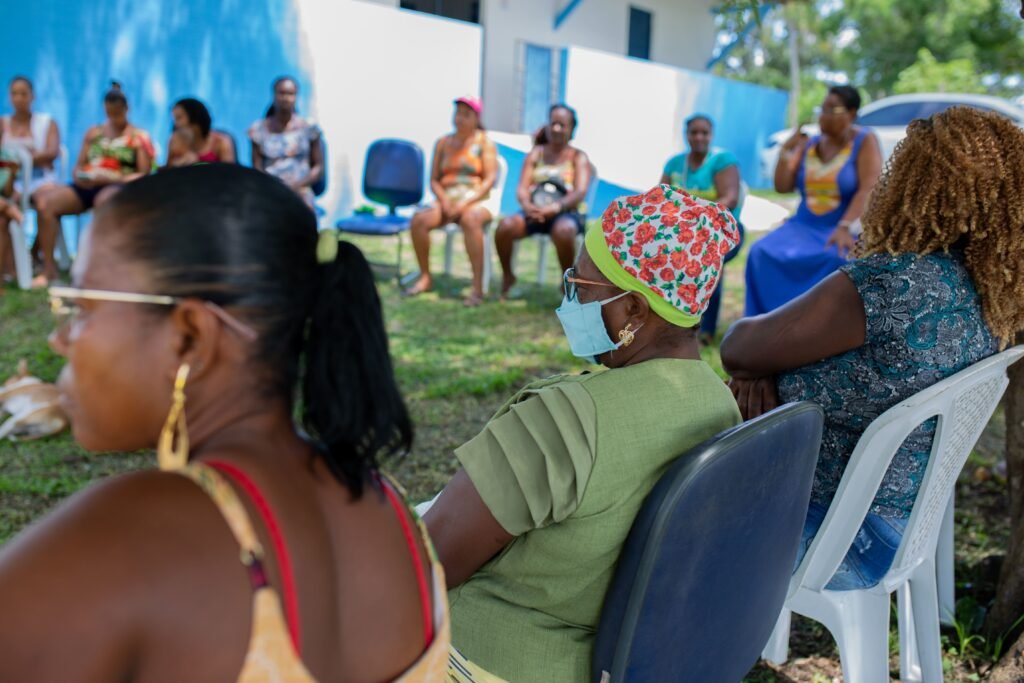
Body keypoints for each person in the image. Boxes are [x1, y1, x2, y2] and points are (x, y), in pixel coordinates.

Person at [0, 164, 449, 681]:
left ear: (190, 335)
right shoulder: (393, 514)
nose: (60, 338)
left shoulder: (134, 534)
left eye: (80, 308)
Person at [425, 185, 742, 682]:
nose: (568, 293)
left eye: (582, 285)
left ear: (634, 310)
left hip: (489, 658)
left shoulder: (566, 418)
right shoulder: (718, 402)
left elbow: (429, 565)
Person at [721, 107, 1024, 590]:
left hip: (831, 531)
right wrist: (768, 373)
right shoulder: (996, 295)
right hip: (899, 528)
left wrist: (764, 373)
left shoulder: (893, 282)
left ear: (913, 183)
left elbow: (738, 348)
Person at [744, 85, 882, 316]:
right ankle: (767, 325)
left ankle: (818, 329)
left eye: (831, 109)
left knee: (836, 260)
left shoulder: (864, 141)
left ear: (851, 114)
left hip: (842, 225)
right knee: (760, 252)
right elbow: (782, 186)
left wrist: (845, 226)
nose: (823, 115)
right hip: (803, 225)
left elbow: (869, 187)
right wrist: (785, 152)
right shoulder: (810, 144)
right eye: (822, 109)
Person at [32, 81, 154, 285]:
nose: (113, 118)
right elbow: (78, 167)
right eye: (109, 113)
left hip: (118, 188)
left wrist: (112, 179)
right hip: (88, 185)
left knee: (105, 202)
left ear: (126, 109)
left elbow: (143, 174)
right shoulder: (94, 133)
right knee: (46, 204)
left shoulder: (138, 137)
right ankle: (48, 269)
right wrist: (82, 176)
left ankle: (102, 270)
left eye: (117, 113)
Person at [405, 97, 497, 307]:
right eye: (457, 113)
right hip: (446, 198)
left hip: (475, 199)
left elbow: (489, 180)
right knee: (419, 220)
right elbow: (434, 179)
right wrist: (445, 200)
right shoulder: (443, 143)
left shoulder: (484, 143)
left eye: (466, 114)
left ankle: (477, 286)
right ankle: (425, 276)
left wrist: (465, 203)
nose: (460, 119)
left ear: (476, 118)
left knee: (471, 220)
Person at [660, 113, 744, 342]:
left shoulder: (722, 160)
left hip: (722, 230)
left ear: (711, 135)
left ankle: (704, 330)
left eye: (704, 132)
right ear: (686, 135)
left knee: (708, 262)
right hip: (683, 231)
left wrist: (695, 214)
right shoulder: (675, 164)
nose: (699, 137)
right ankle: (670, 320)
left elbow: (731, 198)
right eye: (693, 132)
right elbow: (661, 198)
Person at [495, 104, 592, 298]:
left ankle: (566, 281)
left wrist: (555, 208)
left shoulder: (578, 157)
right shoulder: (536, 154)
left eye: (562, 125)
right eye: (553, 123)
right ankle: (508, 276)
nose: (556, 129)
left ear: (571, 129)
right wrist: (528, 206)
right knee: (505, 227)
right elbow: (522, 189)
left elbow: (580, 191)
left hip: (566, 213)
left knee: (564, 231)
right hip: (535, 212)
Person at [250, 76, 324, 208]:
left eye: (290, 94)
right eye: (281, 93)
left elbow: (318, 167)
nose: (285, 98)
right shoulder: (258, 130)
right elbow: (257, 167)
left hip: (300, 187)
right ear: (274, 95)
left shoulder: (309, 128)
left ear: (296, 96)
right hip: (270, 188)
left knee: (305, 208)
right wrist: (272, 187)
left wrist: (297, 185)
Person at [2, 75, 62, 200]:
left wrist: (21, 161)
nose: (19, 98)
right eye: (14, 94)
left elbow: (52, 153)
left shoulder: (47, 122)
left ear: (32, 96)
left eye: (23, 94)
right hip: (9, 182)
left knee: (46, 203)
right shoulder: (3, 123)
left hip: (41, 180)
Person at [163, 97, 236, 167]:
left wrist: (197, 163)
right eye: (175, 119)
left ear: (195, 117)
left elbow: (229, 174)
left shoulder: (220, 143)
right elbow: (167, 173)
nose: (176, 124)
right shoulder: (174, 142)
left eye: (179, 118)